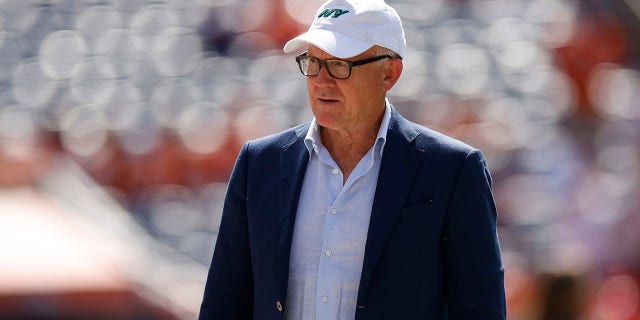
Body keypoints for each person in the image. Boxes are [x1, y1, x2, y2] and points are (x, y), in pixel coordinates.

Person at [199, 0, 506, 319]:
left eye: (339, 65)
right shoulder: (259, 164)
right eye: (314, 62)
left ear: (390, 72)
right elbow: (223, 303)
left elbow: (480, 309)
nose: (321, 80)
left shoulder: (452, 170)